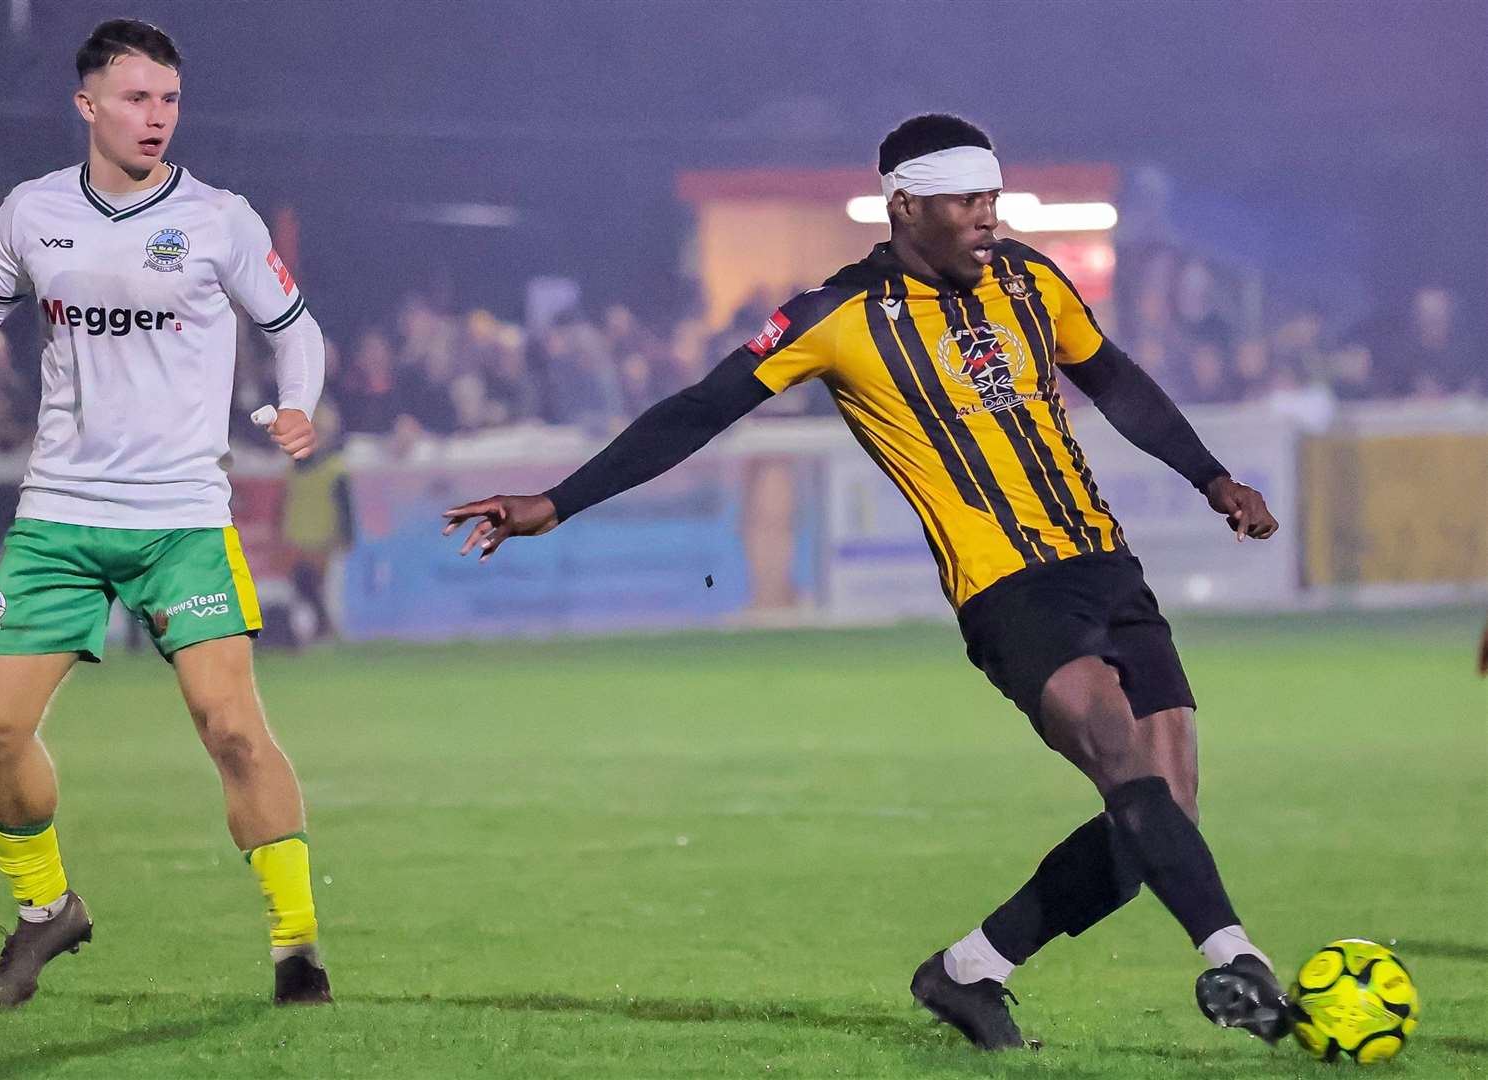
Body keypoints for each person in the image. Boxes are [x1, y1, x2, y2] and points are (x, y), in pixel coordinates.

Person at [444, 114, 1286, 1051]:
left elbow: (1118, 381)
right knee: (1119, 759)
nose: (987, 219)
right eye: (968, 201)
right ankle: (1236, 960)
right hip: (1007, 589)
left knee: (1160, 824)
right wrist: (557, 502)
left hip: (1107, 566)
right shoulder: (835, 317)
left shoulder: (1032, 281)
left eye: (993, 200)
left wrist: (1211, 477)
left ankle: (969, 972)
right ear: (904, 204)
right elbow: (697, 412)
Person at [0, 19, 332, 1009]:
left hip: (181, 516)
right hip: (58, 514)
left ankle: (297, 945)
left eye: (170, 100)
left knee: (230, 727)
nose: (156, 118)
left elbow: (292, 326)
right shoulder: (34, 210)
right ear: (87, 104)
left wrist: (299, 402)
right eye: (136, 98)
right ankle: (45, 912)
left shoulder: (220, 218)